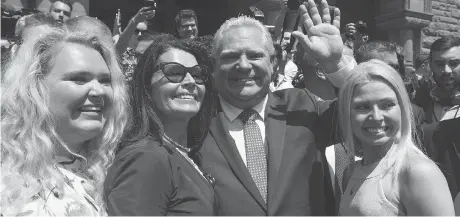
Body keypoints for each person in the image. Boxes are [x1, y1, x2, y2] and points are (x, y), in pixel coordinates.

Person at [199, 0, 356, 215]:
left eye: (255, 55)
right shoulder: (193, 121)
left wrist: (335, 65)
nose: (244, 66)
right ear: (214, 66)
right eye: (231, 56)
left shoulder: (302, 106)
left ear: (273, 63)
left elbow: (366, 112)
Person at [0, 27, 128, 216]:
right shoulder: (9, 184)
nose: (99, 91)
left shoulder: (114, 174)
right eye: (78, 79)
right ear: (35, 88)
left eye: (105, 81)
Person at [104, 37, 217, 215]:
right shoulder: (145, 157)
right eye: (174, 72)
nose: (190, 81)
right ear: (147, 85)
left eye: (197, 74)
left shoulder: (186, 153)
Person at [338, 59, 454, 215]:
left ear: (403, 108)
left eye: (387, 105)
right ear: (347, 113)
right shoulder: (351, 172)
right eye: (363, 107)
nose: (377, 116)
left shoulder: (416, 172)